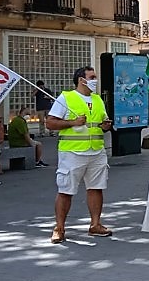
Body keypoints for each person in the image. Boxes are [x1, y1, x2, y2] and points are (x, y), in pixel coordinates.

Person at [45, 66, 114, 244]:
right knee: (66, 190)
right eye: (92, 77)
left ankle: (95, 224)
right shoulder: (66, 98)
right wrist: (72, 122)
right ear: (81, 80)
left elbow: (100, 123)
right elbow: (50, 123)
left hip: (97, 151)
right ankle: (59, 228)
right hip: (72, 152)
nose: (95, 80)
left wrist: (105, 125)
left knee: (96, 188)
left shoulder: (98, 99)